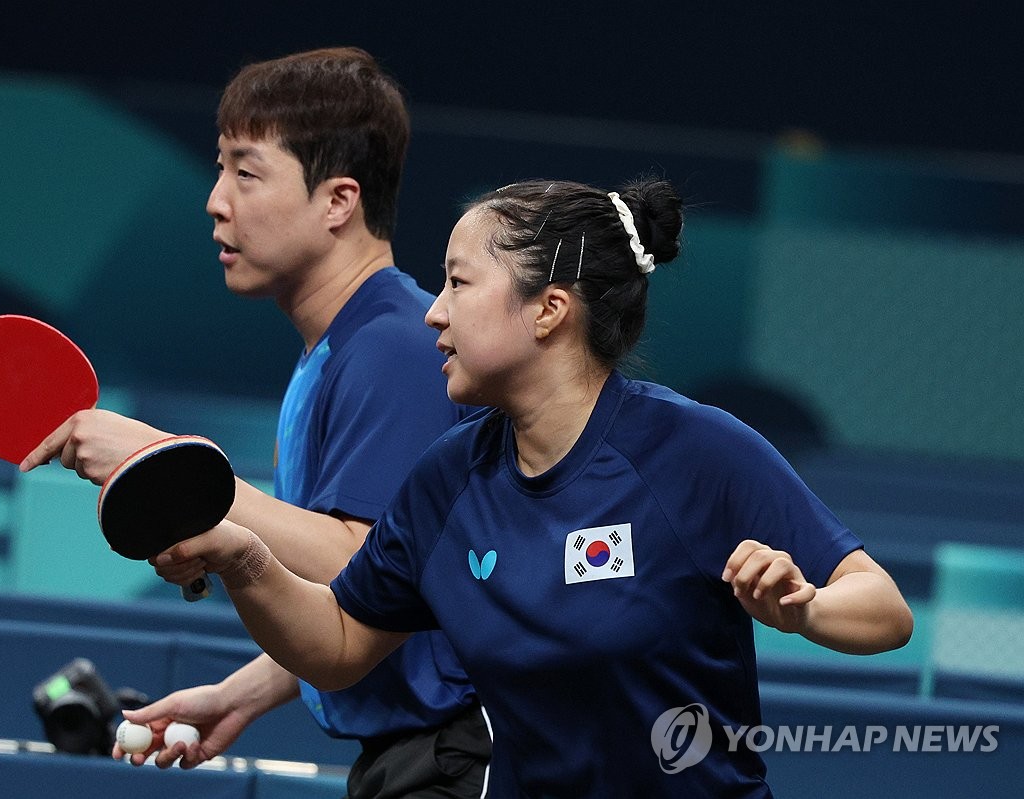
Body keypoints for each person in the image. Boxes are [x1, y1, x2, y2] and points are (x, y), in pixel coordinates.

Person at [147, 177, 916, 797]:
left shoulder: (696, 451)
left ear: (549, 310)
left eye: (458, 283)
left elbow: (884, 609)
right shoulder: (448, 477)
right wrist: (242, 558)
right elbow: (339, 644)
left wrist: (805, 606)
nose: (434, 315)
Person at [21, 47, 491, 797]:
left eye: (245, 171)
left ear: (338, 201)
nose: (215, 199)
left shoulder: (397, 349)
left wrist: (171, 463)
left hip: (457, 756)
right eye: (218, 169)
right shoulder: (332, 351)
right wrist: (239, 694)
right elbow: (365, 610)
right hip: (405, 757)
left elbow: (374, 570)